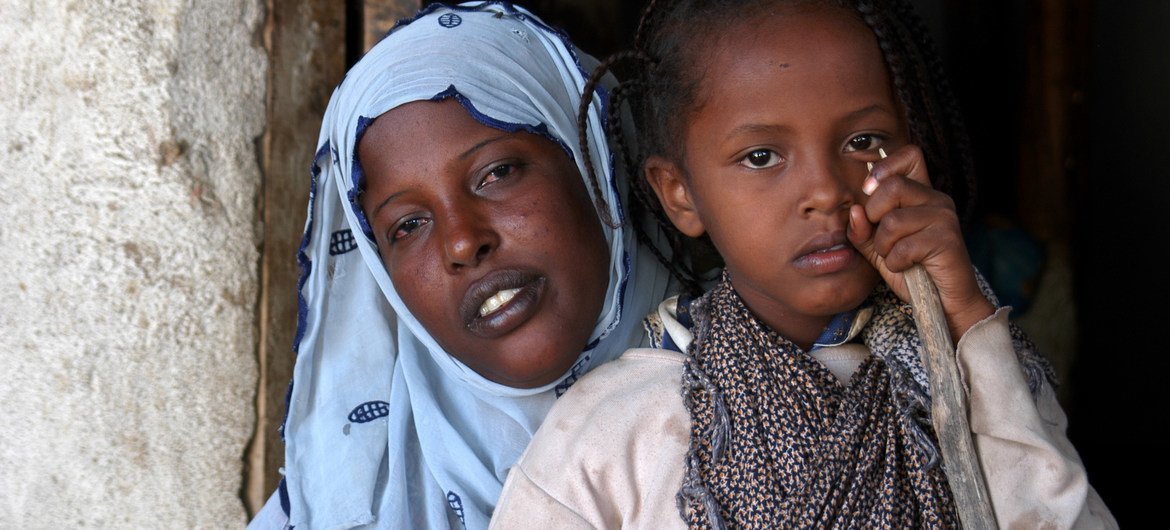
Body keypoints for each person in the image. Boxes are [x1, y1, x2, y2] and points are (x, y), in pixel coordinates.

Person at [489, 0, 1117, 528]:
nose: (826, 189)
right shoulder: (613, 428)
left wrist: (961, 323)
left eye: (862, 142)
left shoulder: (980, 378)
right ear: (680, 192)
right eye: (762, 156)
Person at [247, 2, 673, 528]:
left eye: (497, 173)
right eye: (407, 225)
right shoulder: (341, 511)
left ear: (595, 164)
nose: (463, 243)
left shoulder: (762, 413)